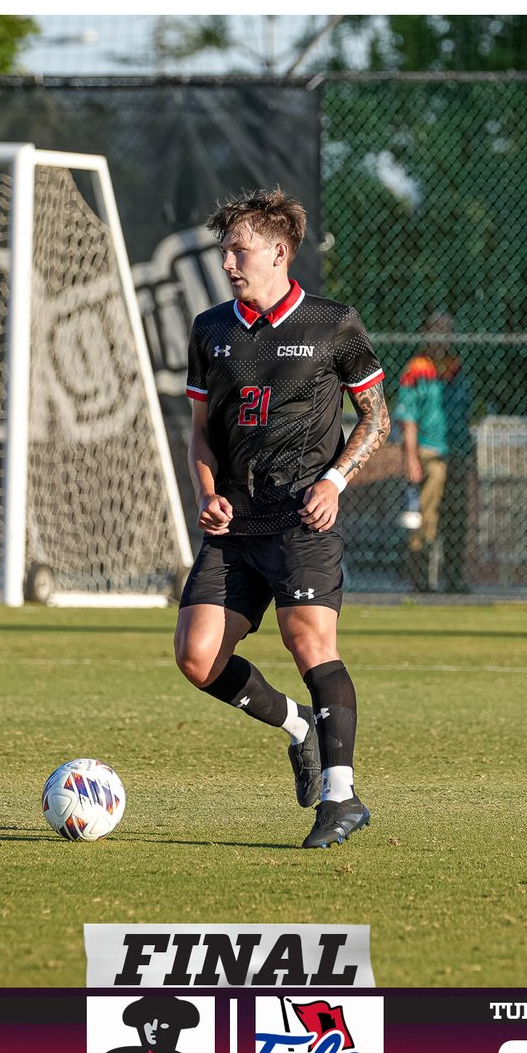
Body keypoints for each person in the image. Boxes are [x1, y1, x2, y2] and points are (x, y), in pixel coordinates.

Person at [173, 187, 390, 850]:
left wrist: (334, 480)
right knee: (196, 657)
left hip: (303, 521)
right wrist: (207, 492)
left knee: (309, 645)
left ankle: (341, 796)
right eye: (225, 251)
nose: (229, 261)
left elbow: (377, 418)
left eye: (239, 250)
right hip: (235, 526)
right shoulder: (211, 330)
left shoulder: (333, 325)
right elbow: (201, 433)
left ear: (278, 252)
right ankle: (300, 728)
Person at [393, 311, 472, 592]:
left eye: (448, 330)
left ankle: (454, 578)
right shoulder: (417, 367)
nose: (442, 336)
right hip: (428, 452)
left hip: (457, 452)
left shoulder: (457, 366)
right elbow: (408, 417)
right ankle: (420, 579)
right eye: (437, 330)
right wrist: (412, 458)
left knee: (456, 517)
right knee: (426, 517)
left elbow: (467, 413)